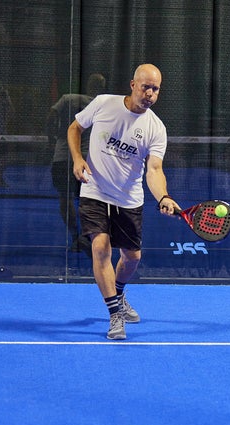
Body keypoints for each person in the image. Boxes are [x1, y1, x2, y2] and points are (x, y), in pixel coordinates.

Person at [67, 64, 180, 340]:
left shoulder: (156, 128)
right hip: (94, 190)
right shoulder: (104, 104)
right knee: (101, 247)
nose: (150, 93)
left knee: (132, 257)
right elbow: (75, 128)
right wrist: (78, 159)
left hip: (129, 198)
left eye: (155, 89)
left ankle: (118, 292)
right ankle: (115, 313)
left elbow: (154, 170)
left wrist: (163, 196)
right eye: (146, 87)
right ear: (132, 85)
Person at [46, 73, 106, 251]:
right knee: (87, 202)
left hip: (63, 158)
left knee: (65, 200)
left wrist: (51, 138)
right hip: (87, 161)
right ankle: (86, 237)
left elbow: (51, 115)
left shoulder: (67, 99)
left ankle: (76, 236)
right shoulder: (101, 106)